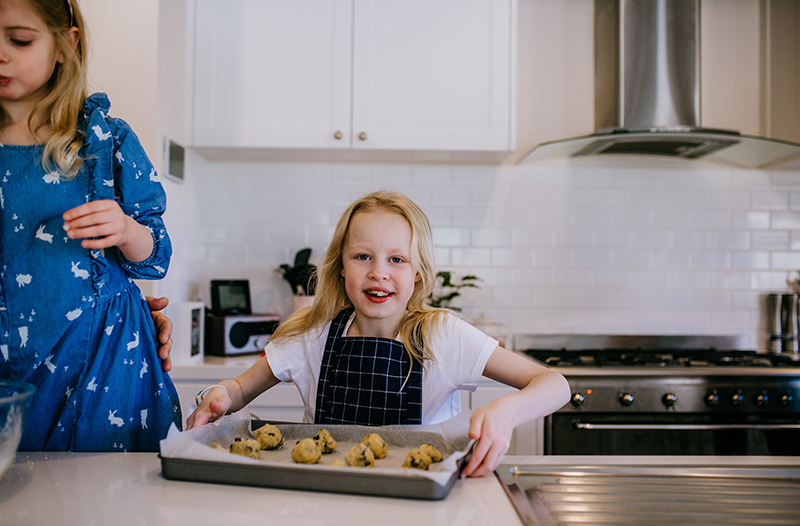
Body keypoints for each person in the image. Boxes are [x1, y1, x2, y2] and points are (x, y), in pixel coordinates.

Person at [188, 190, 570, 477]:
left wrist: (507, 410)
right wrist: (219, 395)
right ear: (340, 266)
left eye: (397, 259)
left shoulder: (443, 337)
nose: (379, 272)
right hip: (327, 499)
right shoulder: (313, 337)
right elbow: (239, 390)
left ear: (418, 271)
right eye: (363, 256)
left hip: (420, 505)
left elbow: (554, 384)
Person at [0, 0, 181, 451]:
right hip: (11, 366)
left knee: (101, 509)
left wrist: (124, 230)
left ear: (66, 44)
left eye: (19, 40)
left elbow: (156, 252)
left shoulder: (103, 137)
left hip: (104, 364)